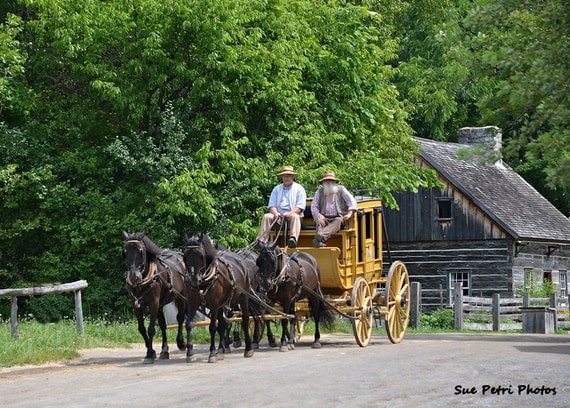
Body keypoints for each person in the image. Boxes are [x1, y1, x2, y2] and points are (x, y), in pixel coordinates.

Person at [257, 165, 307, 248]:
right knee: (267, 216)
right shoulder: (276, 189)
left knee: (295, 216)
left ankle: (293, 238)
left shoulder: (299, 188)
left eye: (288, 176)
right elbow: (271, 205)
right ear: (282, 177)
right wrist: (276, 214)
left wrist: (289, 214)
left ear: (292, 177)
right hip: (278, 217)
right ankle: (261, 241)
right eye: (284, 176)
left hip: (292, 218)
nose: (286, 178)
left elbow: (300, 207)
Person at [311, 170, 357, 247]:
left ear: (335, 182)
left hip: (338, 217)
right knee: (319, 220)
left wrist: (349, 214)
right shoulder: (319, 191)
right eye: (326, 181)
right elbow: (314, 206)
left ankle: (320, 236)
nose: (329, 183)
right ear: (323, 183)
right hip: (324, 217)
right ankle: (319, 241)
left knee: (338, 221)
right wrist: (318, 214)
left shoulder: (341, 190)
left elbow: (352, 202)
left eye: (331, 181)